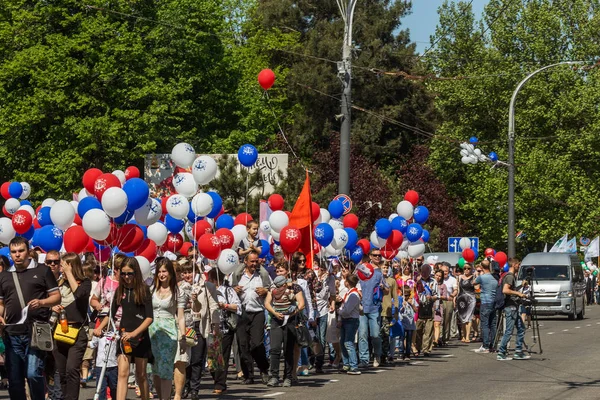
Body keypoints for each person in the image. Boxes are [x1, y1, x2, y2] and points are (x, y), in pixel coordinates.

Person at [0, 236, 61, 400]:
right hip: (12, 332)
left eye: (21, 251)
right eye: (13, 252)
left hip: (37, 330)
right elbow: (1, 303)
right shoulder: (4, 275)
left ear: (28, 251)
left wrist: (42, 302)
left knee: (33, 373)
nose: (17, 255)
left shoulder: (42, 270)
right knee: (15, 379)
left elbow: (56, 297)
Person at [94, 257, 153, 400]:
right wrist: (100, 328)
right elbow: (111, 313)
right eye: (124, 274)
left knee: (141, 375)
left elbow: (149, 318)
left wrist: (134, 333)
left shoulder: (144, 290)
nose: (126, 277)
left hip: (140, 337)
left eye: (130, 273)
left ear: (136, 273)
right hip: (124, 337)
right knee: (122, 374)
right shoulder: (120, 290)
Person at [51, 252, 92, 400]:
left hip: (78, 332)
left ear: (71, 266)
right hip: (60, 330)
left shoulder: (85, 282)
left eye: (63, 265)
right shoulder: (58, 284)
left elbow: (80, 294)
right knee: (61, 371)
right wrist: (52, 307)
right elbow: (49, 299)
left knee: (71, 369)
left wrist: (69, 274)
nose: (60, 269)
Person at [148, 258, 187, 400]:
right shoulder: (151, 289)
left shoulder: (178, 292)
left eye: (164, 271)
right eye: (159, 271)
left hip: (169, 333)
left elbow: (180, 316)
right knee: (155, 371)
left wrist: (182, 336)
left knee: (165, 370)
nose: (161, 274)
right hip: (152, 332)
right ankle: (162, 397)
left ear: (170, 273)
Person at [265, 263, 305, 387]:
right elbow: (267, 303)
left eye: (281, 271)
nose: (279, 273)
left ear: (287, 273)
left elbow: (301, 304)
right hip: (276, 321)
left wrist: (291, 313)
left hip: (290, 321)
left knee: (288, 350)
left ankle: (288, 377)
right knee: (275, 349)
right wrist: (275, 313)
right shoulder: (273, 289)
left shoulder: (294, 288)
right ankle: (274, 377)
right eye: (277, 271)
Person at [234, 251, 271, 385]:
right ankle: (248, 375)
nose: (254, 264)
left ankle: (264, 368)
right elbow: (229, 290)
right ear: (246, 262)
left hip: (258, 312)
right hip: (242, 312)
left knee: (257, 344)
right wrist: (234, 289)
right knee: (243, 345)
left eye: (256, 261)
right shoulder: (238, 276)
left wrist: (266, 291)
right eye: (252, 261)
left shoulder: (262, 276)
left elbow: (271, 289)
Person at [187, 262, 220, 399]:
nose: (188, 275)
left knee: (196, 358)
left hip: (199, 325)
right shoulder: (177, 287)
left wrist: (215, 325)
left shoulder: (208, 286)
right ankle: (184, 386)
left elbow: (213, 306)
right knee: (184, 359)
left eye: (190, 271)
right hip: (183, 325)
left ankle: (194, 388)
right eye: (185, 272)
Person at [207, 268, 241, 394]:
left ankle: (220, 384)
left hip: (225, 328)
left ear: (215, 279)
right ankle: (218, 379)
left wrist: (225, 306)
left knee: (223, 356)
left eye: (209, 279)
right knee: (211, 358)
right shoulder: (206, 291)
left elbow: (238, 307)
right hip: (209, 328)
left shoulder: (228, 290)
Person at [357, 250, 388, 368]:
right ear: (370, 256)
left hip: (374, 307)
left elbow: (387, 290)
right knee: (363, 334)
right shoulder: (362, 269)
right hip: (362, 307)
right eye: (375, 255)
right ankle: (364, 359)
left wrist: (382, 288)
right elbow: (355, 283)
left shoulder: (380, 273)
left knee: (375, 334)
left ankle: (377, 355)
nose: (377, 257)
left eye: (379, 255)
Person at [497, 258, 530, 361]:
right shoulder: (510, 276)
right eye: (518, 265)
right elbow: (505, 290)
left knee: (521, 328)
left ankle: (518, 351)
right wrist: (518, 294)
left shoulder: (511, 276)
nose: (519, 267)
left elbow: (511, 289)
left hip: (513, 306)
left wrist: (521, 286)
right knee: (509, 331)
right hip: (510, 307)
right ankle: (501, 352)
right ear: (514, 265)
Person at [313, 259, 336, 373]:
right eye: (316, 267)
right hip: (312, 311)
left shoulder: (330, 279)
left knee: (321, 338)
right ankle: (310, 359)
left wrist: (332, 304)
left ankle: (319, 363)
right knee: (312, 338)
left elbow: (332, 294)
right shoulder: (311, 276)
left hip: (323, 311)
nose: (319, 270)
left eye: (321, 268)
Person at [338, 274, 361, 375]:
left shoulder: (353, 295)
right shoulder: (349, 293)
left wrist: (339, 311)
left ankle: (354, 366)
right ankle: (346, 364)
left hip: (351, 320)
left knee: (348, 342)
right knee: (342, 341)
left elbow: (347, 310)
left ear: (348, 282)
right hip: (345, 320)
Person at [473, 259, 498, 353]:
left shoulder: (482, 277)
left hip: (485, 302)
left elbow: (474, 284)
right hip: (493, 302)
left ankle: (486, 345)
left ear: (482, 268)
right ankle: (493, 344)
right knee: (493, 324)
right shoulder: (494, 278)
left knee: (485, 324)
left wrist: (477, 274)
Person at [415, 264, 438, 357]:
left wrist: (431, 297)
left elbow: (437, 295)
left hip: (429, 306)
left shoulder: (433, 282)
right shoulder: (417, 281)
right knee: (418, 329)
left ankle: (426, 349)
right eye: (423, 272)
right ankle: (418, 347)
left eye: (426, 272)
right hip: (419, 306)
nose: (424, 274)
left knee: (428, 330)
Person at [380, 261, 398, 364]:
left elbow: (395, 297)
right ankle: (375, 354)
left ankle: (383, 355)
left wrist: (396, 310)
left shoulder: (391, 281)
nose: (385, 269)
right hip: (377, 310)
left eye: (387, 267)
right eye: (383, 267)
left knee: (385, 334)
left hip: (387, 311)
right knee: (376, 334)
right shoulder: (376, 279)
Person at [457, 263, 477, 342]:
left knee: (469, 317)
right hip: (461, 299)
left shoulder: (474, 277)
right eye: (465, 268)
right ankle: (463, 335)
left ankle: (467, 336)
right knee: (462, 318)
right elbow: (458, 289)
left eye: (468, 268)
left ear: (471, 269)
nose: (466, 270)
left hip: (471, 299)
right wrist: (456, 298)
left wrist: (476, 278)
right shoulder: (459, 277)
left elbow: (477, 288)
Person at [440, 262, 457, 344]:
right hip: (439, 301)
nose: (444, 273)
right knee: (439, 320)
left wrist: (452, 295)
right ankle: (438, 337)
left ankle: (445, 338)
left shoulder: (452, 279)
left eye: (446, 271)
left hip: (448, 300)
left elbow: (455, 290)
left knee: (447, 320)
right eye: (442, 271)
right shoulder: (438, 279)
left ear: (448, 271)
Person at [399, 285, 416, 360]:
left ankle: (408, 354)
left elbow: (416, 310)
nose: (406, 297)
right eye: (405, 295)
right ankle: (401, 353)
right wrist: (403, 305)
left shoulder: (412, 301)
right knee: (401, 338)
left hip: (410, 324)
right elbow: (399, 310)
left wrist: (411, 304)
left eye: (408, 295)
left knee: (409, 340)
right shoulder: (401, 300)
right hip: (403, 322)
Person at [433, 270, 448, 347]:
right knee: (431, 324)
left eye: (440, 276)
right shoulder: (431, 284)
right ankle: (433, 339)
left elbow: (445, 297)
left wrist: (438, 297)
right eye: (437, 275)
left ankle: (435, 340)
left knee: (437, 323)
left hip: (438, 306)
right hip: (430, 306)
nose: (438, 277)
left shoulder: (443, 286)